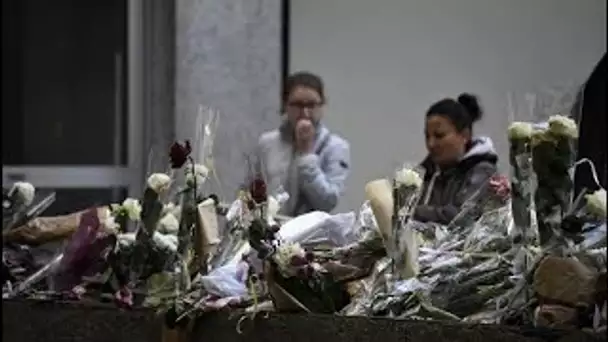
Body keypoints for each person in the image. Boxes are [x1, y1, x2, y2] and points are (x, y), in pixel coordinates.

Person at [256, 71, 351, 216]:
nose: (305, 113)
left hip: (313, 235)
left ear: (322, 106)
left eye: (312, 105)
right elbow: (254, 190)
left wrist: (306, 155)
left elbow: (328, 202)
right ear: (285, 106)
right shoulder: (267, 143)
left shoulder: (336, 147)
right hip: (271, 230)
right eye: (298, 105)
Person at [414, 93, 498, 225]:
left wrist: (412, 212)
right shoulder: (425, 174)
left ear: (465, 135)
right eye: (427, 136)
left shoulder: (483, 172)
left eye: (439, 136)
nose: (431, 144)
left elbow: (462, 216)